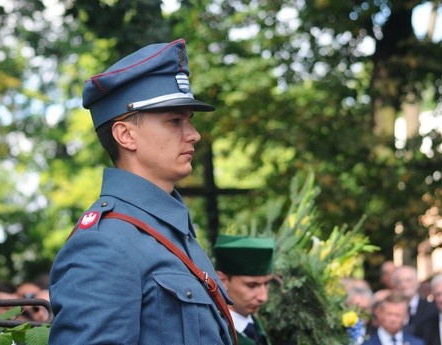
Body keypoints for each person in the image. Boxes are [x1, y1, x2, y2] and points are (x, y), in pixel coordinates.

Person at [49, 39, 234, 344]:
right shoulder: (104, 244)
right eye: (174, 121)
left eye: (189, 120)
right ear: (125, 135)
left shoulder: (173, 232)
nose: (194, 135)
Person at [214, 234, 275, 345]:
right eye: (252, 285)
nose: (263, 297)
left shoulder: (256, 328)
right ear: (222, 281)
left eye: (266, 283)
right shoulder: (213, 335)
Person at [390, 265, 437, 335]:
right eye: (399, 281)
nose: (404, 285)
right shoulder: (390, 310)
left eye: (408, 280)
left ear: (417, 283)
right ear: (394, 286)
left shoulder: (432, 308)